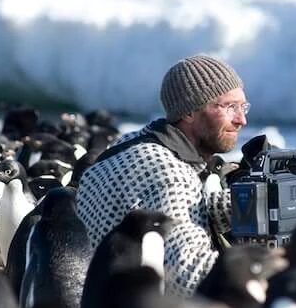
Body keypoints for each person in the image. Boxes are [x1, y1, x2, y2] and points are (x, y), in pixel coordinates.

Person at [75, 55, 249, 295]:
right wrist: (268, 271)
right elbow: (188, 275)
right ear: (189, 112)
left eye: (243, 107)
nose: (241, 119)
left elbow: (171, 214)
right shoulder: (168, 172)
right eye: (230, 107)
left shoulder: (132, 144)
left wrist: (242, 206)